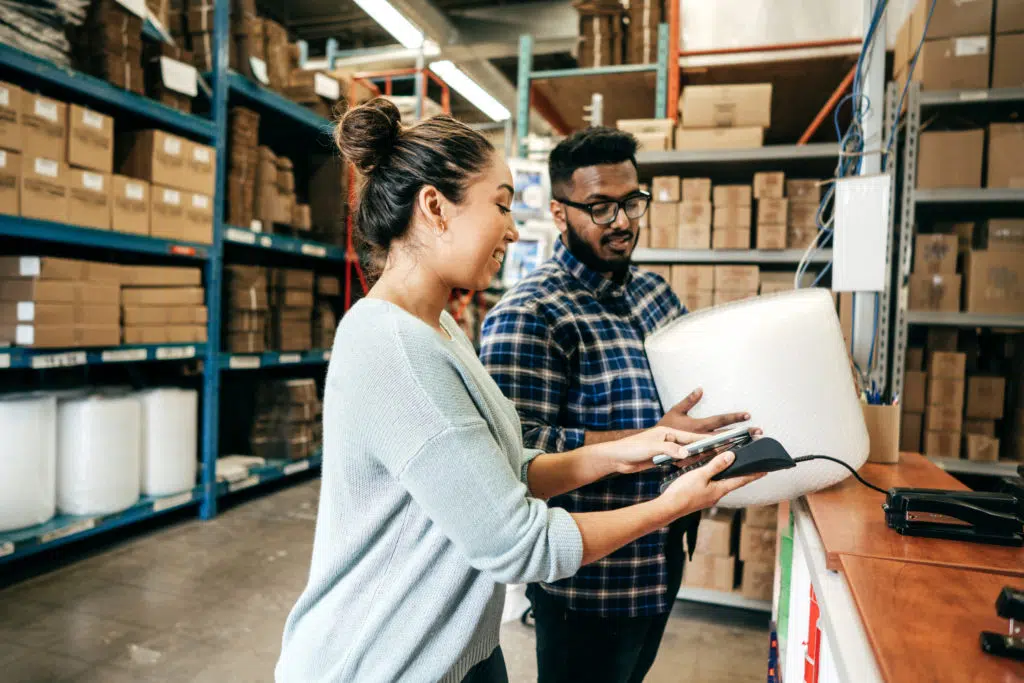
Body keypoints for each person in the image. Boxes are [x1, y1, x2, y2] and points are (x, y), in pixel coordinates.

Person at [274, 100, 761, 683]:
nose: (510, 227)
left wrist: (638, 445)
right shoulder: (392, 348)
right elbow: (520, 544)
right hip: (386, 659)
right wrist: (673, 504)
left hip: (460, 647)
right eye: (501, 205)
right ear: (435, 208)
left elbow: (509, 465)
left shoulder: (440, 327)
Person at [479, 127, 752, 683]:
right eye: (600, 207)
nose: (623, 222)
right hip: (591, 578)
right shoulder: (530, 315)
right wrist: (650, 437)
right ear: (559, 213)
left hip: (664, 549)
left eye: (632, 202)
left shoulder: (656, 294)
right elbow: (515, 454)